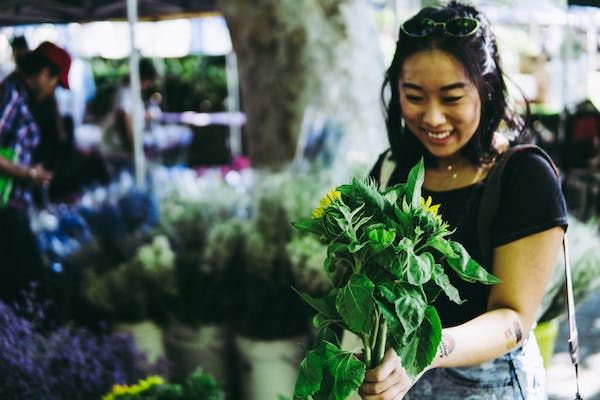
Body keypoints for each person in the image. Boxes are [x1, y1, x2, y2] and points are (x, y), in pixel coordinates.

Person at [360, 2, 567, 399]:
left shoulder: (524, 176)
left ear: (486, 90)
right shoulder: (388, 171)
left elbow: (513, 320)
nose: (433, 118)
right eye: (414, 96)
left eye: (452, 97)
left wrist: (425, 352)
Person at [0, 41, 70, 302]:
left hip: (14, 205)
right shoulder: (11, 95)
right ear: (43, 74)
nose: (53, 90)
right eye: (55, 82)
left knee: (19, 283)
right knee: (28, 284)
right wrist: (28, 173)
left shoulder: (19, 95)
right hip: (7, 209)